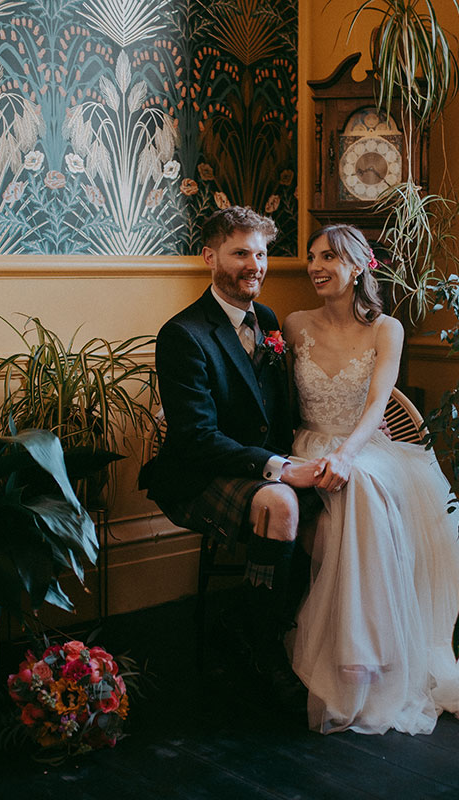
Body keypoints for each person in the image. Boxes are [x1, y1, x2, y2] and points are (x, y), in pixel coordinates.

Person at [284, 224, 459, 735]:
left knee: (363, 484)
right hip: (309, 443)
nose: (315, 266)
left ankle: (365, 656)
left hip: (368, 448)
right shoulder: (294, 322)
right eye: (311, 257)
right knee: (348, 499)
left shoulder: (384, 329)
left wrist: (348, 455)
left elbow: (377, 406)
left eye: (329, 256)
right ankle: (361, 647)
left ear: (358, 266)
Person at [139, 206, 323, 684]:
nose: (255, 265)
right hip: (200, 474)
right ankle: (264, 651)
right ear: (209, 257)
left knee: (344, 493)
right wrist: (281, 469)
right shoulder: (183, 334)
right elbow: (197, 438)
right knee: (282, 503)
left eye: (260, 253)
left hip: (258, 465)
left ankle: (257, 623)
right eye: (240, 252)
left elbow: (286, 404)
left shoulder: (267, 319)